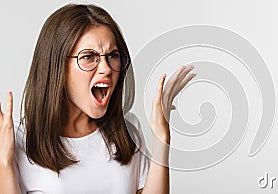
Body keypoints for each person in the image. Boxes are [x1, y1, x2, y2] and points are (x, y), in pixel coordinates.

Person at [0, 3, 196, 194]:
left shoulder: (127, 133)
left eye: (113, 55)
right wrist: (5, 161)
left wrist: (162, 138)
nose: (106, 68)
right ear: (56, 66)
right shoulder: (20, 140)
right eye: (88, 56)